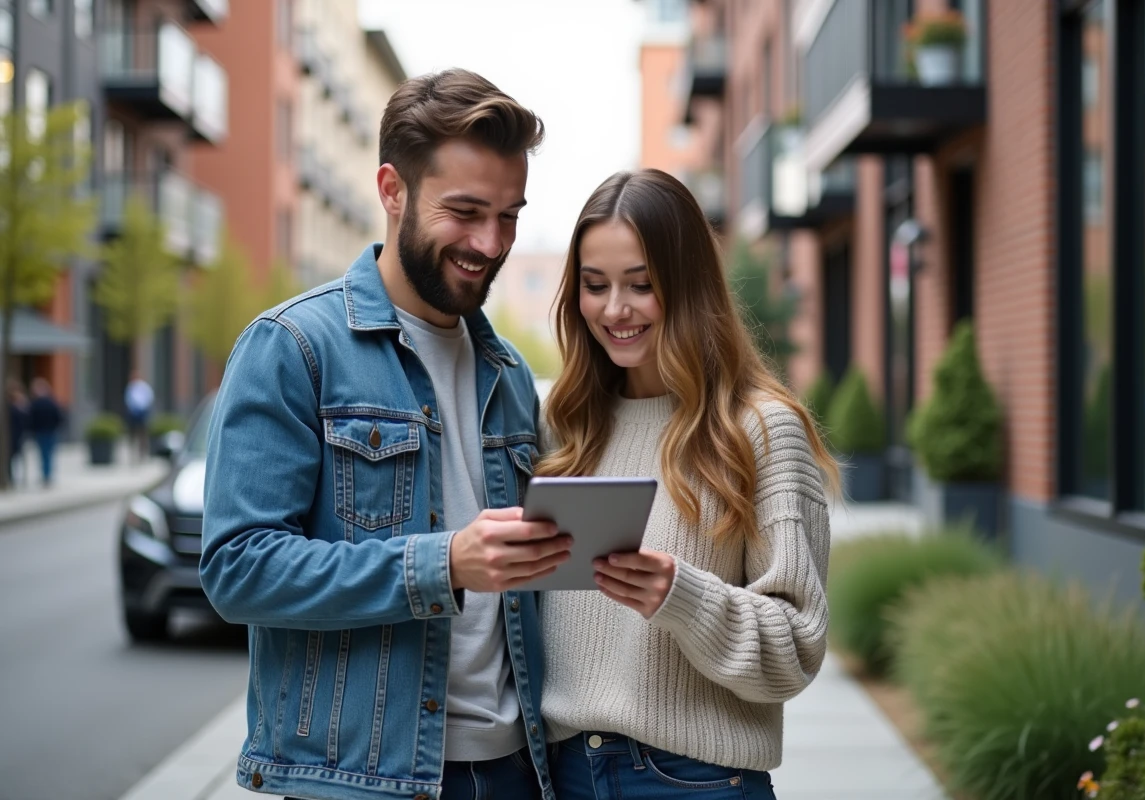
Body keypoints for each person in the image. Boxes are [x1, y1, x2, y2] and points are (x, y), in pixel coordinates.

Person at [200, 69, 571, 800]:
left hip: (516, 770)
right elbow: (237, 569)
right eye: (465, 211)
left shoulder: (510, 373)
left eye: (509, 216)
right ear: (392, 191)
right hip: (363, 780)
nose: (489, 242)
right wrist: (441, 564)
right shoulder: (294, 348)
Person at [537, 169, 838, 799]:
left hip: (693, 780)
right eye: (595, 286)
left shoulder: (760, 430)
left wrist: (683, 596)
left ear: (689, 287)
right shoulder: (562, 426)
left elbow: (797, 649)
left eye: (642, 286)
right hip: (562, 775)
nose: (615, 309)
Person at [28, 378, 63, 487]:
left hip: (41, 432)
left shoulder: (35, 404)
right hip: (50, 431)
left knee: (43, 454)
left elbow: (30, 420)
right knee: (49, 454)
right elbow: (59, 417)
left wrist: (33, 430)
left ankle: (46, 475)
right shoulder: (52, 402)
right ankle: (47, 475)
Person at [124, 370, 154, 462]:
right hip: (133, 413)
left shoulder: (143, 386)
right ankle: (132, 454)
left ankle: (142, 454)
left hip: (142, 412)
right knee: (132, 434)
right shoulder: (130, 387)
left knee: (143, 434)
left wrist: (143, 408)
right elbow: (128, 399)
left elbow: (149, 397)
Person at [7, 379, 29, 485]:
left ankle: (20, 478)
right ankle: (11, 478)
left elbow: (27, 419)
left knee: (19, 458)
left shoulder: (21, 406)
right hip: (12, 436)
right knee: (11, 458)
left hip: (19, 435)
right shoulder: (10, 407)